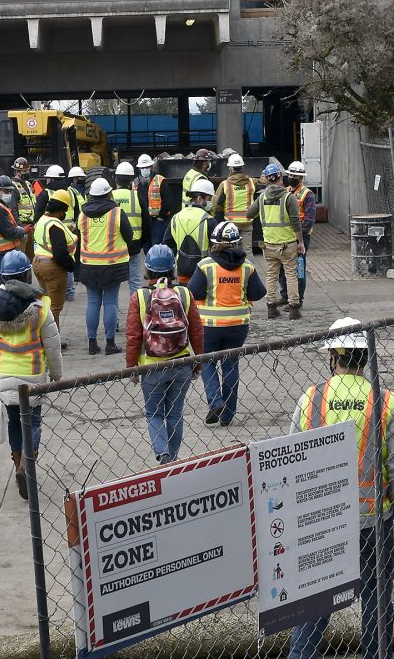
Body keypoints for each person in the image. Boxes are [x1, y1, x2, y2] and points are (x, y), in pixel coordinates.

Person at [278, 318, 394, 659]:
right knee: (375, 597)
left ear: (333, 356)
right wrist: (391, 502)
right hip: (372, 519)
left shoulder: (311, 399)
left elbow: (292, 454)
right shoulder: (384, 400)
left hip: (324, 516)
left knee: (319, 591)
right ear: (365, 357)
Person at [0, 250, 63, 500]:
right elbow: (52, 346)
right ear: (27, 275)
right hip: (32, 376)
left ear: (2, 276)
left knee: (14, 420)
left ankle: (18, 465)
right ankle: (27, 462)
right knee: (33, 422)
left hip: (1, 374)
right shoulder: (40, 307)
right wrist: (57, 373)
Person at [125, 244, 203, 464]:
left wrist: (131, 367)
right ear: (173, 269)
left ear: (147, 270)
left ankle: (163, 453)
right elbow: (197, 331)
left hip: (152, 367)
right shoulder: (184, 293)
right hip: (182, 363)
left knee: (154, 414)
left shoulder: (140, 297)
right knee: (175, 414)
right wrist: (198, 363)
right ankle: (173, 459)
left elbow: (133, 336)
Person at [188, 221, 266, 426]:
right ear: (237, 242)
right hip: (238, 326)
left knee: (207, 362)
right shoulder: (247, 266)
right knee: (231, 364)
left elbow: (194, 292)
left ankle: (215, 402)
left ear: (214, 242)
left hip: (210, 326)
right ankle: (227, 415)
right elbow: (259, 293)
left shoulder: (205, 265)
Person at [78, 176, 134, 356]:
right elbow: (129, 236)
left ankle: (92, 343)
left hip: (89, 265)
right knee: (110, 302)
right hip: (112, 266)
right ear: (109, 194)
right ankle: (110, 344)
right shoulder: (117, 213)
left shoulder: (82, 214)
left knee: (93, 303)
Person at [248, 164, 304, 321]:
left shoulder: (262, 197)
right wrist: (300, 242)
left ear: (267, 179)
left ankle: (271, 308)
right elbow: (295, 222)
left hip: (269, 245)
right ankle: (294, 309)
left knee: (271, 275)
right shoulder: (288, 197)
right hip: (287, 244)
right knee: (291, 275)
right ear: (280, 177)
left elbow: (249, 214)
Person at [32, 188, 78, 340]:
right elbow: (60, 254)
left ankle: (43, 337)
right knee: (54, 308)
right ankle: (52, 340)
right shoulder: (54, 225)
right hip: (52, 268)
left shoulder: (42, 220)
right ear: (60, 210)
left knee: (46, 304)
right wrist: (72, 267)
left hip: (38, 263)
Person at [279, 161, 316, 308]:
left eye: (295, 176)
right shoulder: (286, 191)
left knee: (299, 268)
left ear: (301, 178)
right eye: (290, 175)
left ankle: (298, 299)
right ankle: (285, 296)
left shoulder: (307, 194)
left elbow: (309, 220)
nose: (292, 178)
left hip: (301, 237)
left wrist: (298, 235)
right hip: (286, 236)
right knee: (283, 267)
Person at [112, 160, 151, 296]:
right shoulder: (137, 197)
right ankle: (136, 306)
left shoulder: (110, 197)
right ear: (131, 180)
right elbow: (147, 224)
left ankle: (112, 309)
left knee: (113, 284)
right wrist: (140, 243)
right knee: (134, 282)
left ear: (116, 179)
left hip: (114, 246)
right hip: (134, 246)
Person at [165, 178, 215, 283]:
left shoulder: (176, 217)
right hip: (203, 271)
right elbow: (217, 248)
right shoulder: (209, 220)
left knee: (184, 293)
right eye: (209, 198)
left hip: (182, 270)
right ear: (199, 198)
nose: (210, 202)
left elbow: (168, 244)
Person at [213, 153, 256, 255]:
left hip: (231, 224)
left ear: (231, 168)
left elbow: (216, 205)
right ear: (242, 167)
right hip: (247, 222)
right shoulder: (251, 182)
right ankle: (249, 266)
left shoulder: (225, 184)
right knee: (248, 251)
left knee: (231, 250)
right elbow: (264, 182)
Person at [138, 153, 174, 248]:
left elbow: (167, 200)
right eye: (142, 168)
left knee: (156, 246)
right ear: (139, 169)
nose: (145, 170)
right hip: (143, 221)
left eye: (147, 167)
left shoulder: (160, 180)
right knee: (146, 246)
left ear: (152, 167)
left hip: (157, 221)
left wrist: (161, 217)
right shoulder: (136, 183)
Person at [66, 166, 88, 301]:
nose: (83, 179)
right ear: (74, 179)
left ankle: (79, 274)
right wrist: (71, 225)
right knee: (76, 251)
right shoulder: (70, 192)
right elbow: (71, 210)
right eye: (81, 178)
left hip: (82, 225)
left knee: (81, 250)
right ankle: (76, 275)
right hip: (75, 226)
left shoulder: (82, 190)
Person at [12, 157, 38, 257]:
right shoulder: (14, 186)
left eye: (27, 171)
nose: (26, 173)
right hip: (22, 226)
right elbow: (13, 209)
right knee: (21, 256)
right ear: (17, 171)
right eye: (24, 171)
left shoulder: (28, 184)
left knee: (30, 256)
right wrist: (20, 227)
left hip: (31, 226)